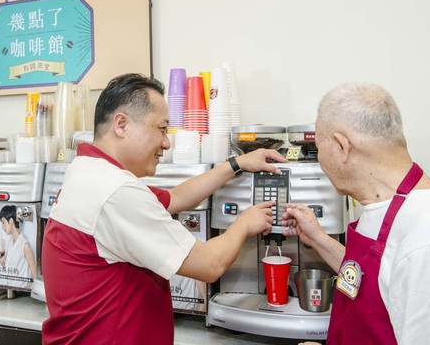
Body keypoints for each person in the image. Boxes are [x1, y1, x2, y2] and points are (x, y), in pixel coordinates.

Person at [41, 73, 287, 345]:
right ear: (121, 124)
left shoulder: (88, 172)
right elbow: (210, 264)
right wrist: (244, 223)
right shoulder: (116, 192)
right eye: (161, 129)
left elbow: (175, 197)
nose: (167, 143)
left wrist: (236, 163)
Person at [281, 82, 430, 345]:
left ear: (342, 146)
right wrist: (317, 238)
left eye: (319, 149)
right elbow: (374, 280)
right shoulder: (388, 204)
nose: (320, 160)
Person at [0, 205, 38, 290]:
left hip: (22, 293)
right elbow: (12, 271)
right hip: (11, 290)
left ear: (11, 221)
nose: (2, 226)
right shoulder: (9, 243)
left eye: (3, 222)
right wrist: (2, 263)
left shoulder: (24, 245)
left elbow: (35, 276)